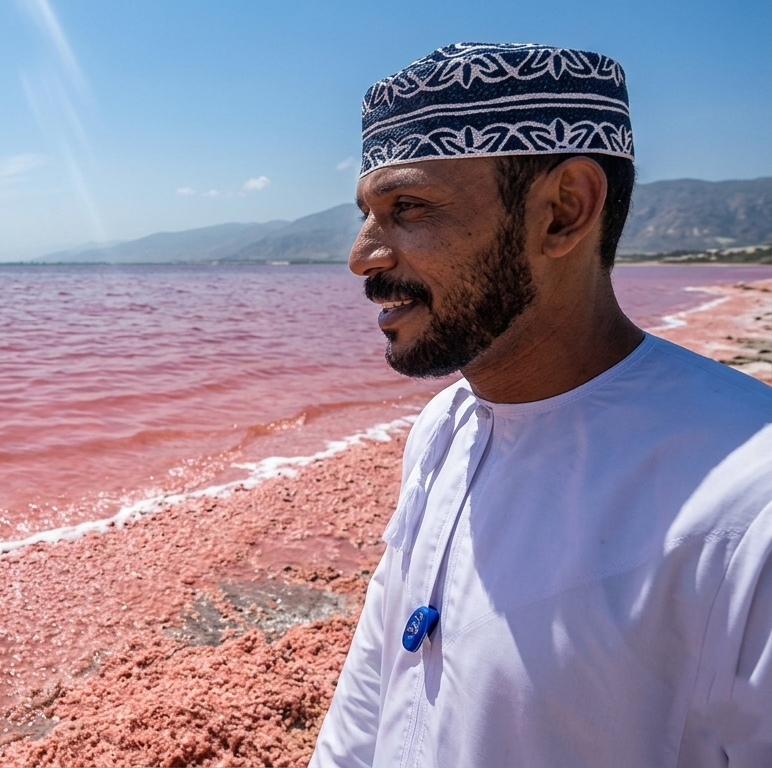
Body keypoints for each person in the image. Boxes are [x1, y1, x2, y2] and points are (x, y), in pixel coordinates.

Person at [310, 43, 772, 767]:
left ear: (563, 212)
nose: (362, 254)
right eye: (368, 213)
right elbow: (377, 679)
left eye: (407, 208)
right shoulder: (444, 425)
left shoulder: (750, 502)